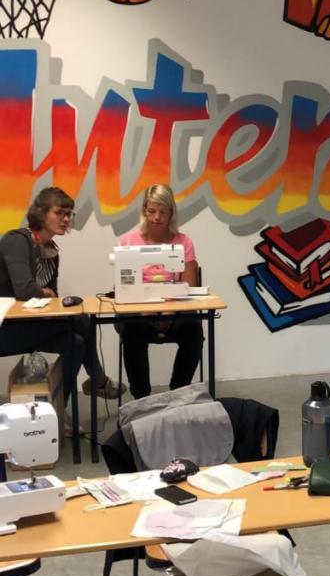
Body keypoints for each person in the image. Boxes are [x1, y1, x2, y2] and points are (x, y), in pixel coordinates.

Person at [0, 187, 123, 431]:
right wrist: (43, 293)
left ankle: (57, 411)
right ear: (41, 213)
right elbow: (25, 290)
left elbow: (53, 298)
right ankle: (98, 379)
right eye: (59, 213)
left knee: (76, 343)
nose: (66, 219)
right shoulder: (16, 240)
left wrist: (45, 294)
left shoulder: (51, 251)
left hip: (31, 324)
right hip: (7, 327)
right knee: (82, 321)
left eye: (69, 214)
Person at [117, 184, 203, 399]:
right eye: (152, 211)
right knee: (131, 330)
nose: (157, 217)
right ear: (144, 210)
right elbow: (125, 288)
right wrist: (147, 313)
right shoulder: (128, 242)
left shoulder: (184, 243)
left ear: (171, 213)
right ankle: (142, 398)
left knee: (194, 329)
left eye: (163, 212)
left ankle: (178, 391)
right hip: (139, 311)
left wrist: (169, 313)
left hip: (174, 310)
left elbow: (189, 286)